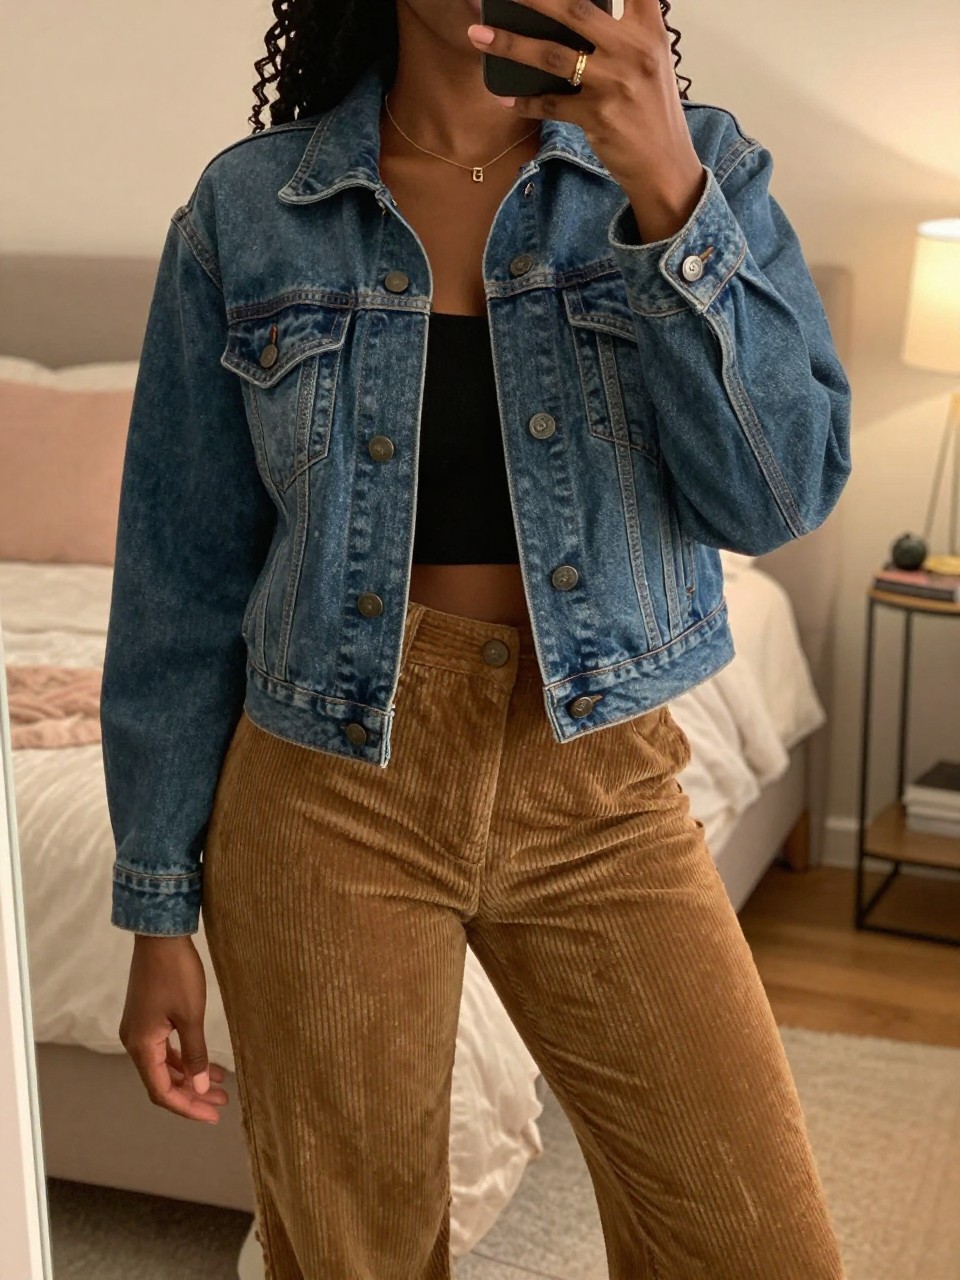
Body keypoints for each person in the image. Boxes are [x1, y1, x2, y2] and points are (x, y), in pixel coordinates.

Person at [101, 0, 853, 1276]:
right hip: (325, 787)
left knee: (757, 1243)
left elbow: (777, 499)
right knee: (356, 1254)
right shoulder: (251, 208)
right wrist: (158, 905)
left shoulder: (697, 163)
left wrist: (667, 193)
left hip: (599, 782)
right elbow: (180, 578)